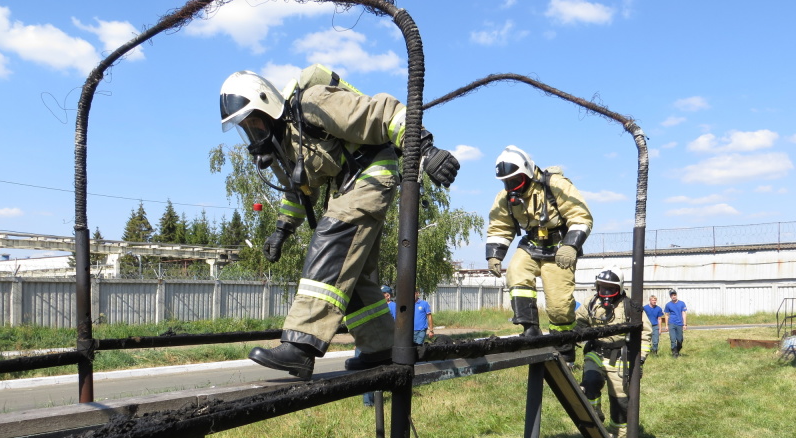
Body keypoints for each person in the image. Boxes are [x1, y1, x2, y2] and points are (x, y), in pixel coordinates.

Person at [219, 65, 459, 379]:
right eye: (245, 127)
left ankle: (301, 347)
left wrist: (426, 150)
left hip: (373, 171)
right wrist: (282, 229)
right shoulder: (282, 146)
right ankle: (381, 346)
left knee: (331, 240)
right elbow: (297, 191)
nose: (252, 133)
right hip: (347, 186)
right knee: (352, 274)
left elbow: (384, 113)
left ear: (267, 107)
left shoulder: (312, 104)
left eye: (253, 123)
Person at [485, 145, 593, 364]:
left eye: (515, 181)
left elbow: (580, 216)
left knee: (559, 306)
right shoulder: (505, 196)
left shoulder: (555, 185)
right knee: (516, 273)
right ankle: (530, 330)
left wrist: (571, 245)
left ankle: (565, 353)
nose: (511, 186)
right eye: (506, 182)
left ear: (527, 172)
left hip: (559, 248)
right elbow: (499, 226)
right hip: (532, 244)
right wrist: (494, 255)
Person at [575, 267, 652, 438]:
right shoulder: (591, 303)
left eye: (611, 288)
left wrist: (639, 358)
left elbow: (645, 333)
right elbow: (579, 323)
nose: (606, 292)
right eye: (602, 288)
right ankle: (595, 416)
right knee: (590, 383)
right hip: (596, 353)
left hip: (620, 358)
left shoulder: (630, 307)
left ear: (620, 288)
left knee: (620, 402)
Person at [360, 285, 396, 407]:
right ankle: (368, 402)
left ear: (387, 295)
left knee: (380, 372)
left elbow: (396, 325)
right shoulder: (372, 306)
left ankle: (380, 396)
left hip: (384, 344)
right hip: (369, 342)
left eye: (382, 294)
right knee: (367, 373)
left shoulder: (393, 306)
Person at [663, 289, 688, 358]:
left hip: (679, 323)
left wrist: (685, 324)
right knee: (673, 339)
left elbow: (684, 313)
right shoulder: (668, 305)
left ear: (676, 295)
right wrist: (666, 325)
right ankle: (674, 353)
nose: (673, 296)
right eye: (672, 295)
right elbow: (666, 315)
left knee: (680, 339)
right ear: (670, 296)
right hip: (672, 323)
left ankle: (677, 350)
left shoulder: (682, 303)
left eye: (674, 295)